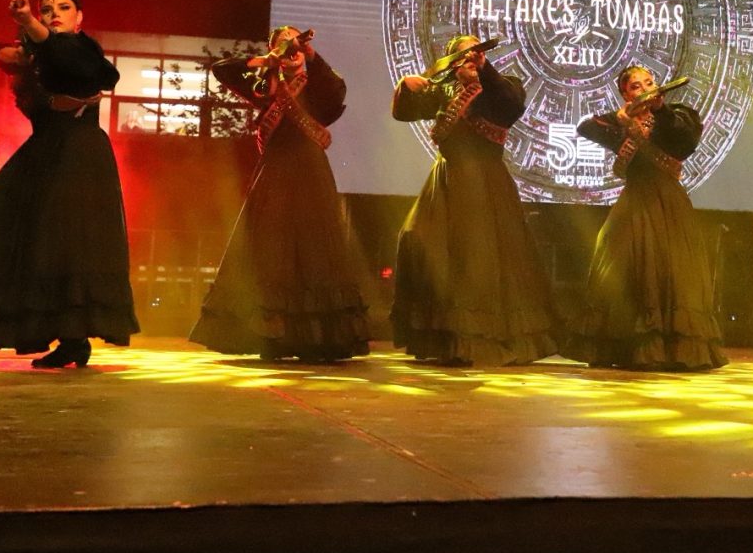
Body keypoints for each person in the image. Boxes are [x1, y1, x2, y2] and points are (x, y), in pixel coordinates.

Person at [0, 0, 138, 367]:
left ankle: (74, 339)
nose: (54, 13)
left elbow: (92, 70)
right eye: (47, 9)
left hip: (79, 154)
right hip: (43, 152)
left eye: (64, 7)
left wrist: (29, 22)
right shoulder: (37, 57)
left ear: (79, 17)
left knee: (66, 242)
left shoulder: (82, 50)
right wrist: (22, 49)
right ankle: (54, 332)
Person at [189, 26, 370, 361]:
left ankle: (317, 338)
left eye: (295, 42)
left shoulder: (316, 84)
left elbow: (336, 92)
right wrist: (267, 60)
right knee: (270, 249)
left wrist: (312, 56)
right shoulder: (265, 83)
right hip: (275, 172)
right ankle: (270, 336)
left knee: (316, 248)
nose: (291, 47)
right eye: (283, 42)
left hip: (312, 173)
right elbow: (222, 69)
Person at [390, 34, 558, 366]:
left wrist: (485, 71)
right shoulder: (443, 89)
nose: (472, 57)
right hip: (447, 181)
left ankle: (484, 336)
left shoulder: (500, 86)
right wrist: (406, 87)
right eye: (464, 54)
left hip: (486, 181)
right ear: (452, 62)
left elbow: (511, 107)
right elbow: (404, 113)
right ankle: (443, 336)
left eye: (477, 52)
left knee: (483, 256)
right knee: (421, 241)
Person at [564, 66, 729, 371]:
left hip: (668, 203)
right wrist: (624, 118)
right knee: (619, 263)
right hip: (634, 203)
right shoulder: (619, 123)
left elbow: (685, 140)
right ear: (626, 94)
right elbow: (585, 128)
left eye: (649, 83)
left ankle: (674, 349)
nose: (645, 89)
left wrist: (660, 110)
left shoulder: (676, 116)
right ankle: (626, 347)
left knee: (673, 270)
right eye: (636, 86)